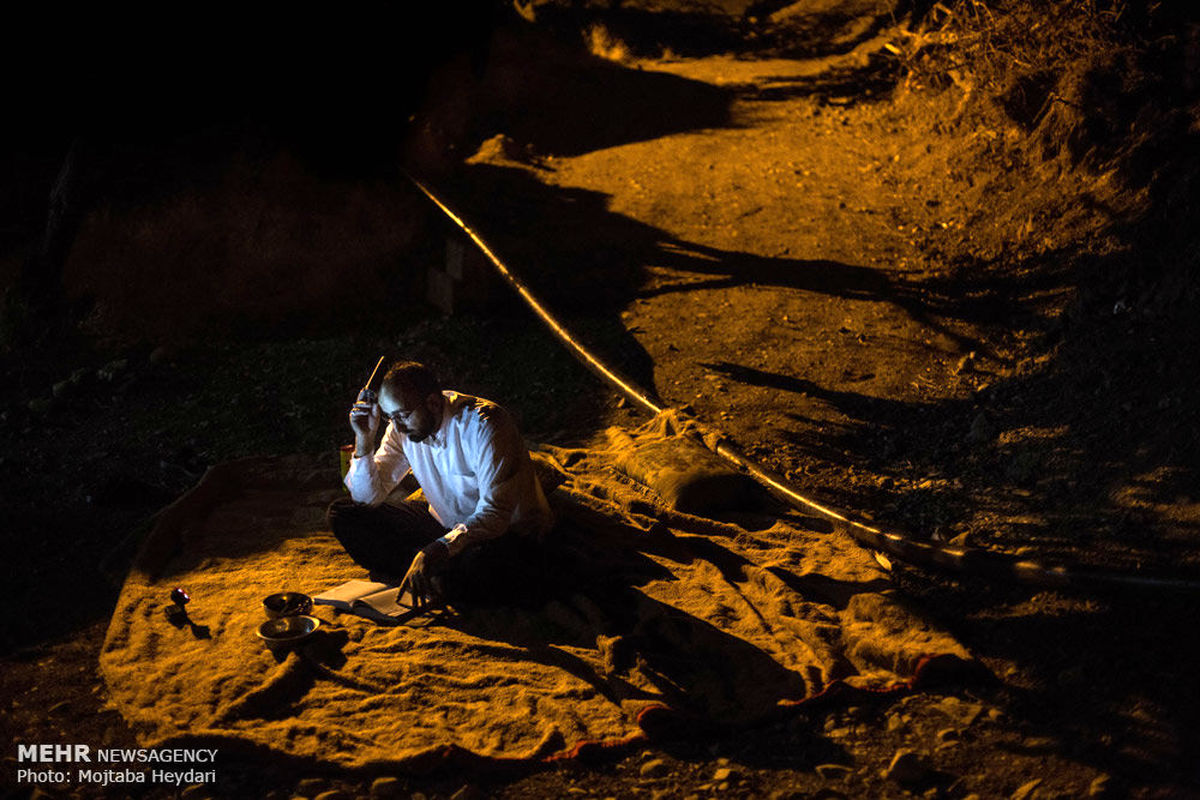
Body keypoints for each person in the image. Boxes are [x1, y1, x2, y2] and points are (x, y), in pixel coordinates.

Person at [327, 360, 553, 607]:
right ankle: (438, 577)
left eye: (402, 416)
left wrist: (437, 549)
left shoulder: (485, 424)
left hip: (502, 534)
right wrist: (364, 440)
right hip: (446, 529)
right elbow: (365, 500)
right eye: (391, 418)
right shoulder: (400, 428)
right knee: (344, 513)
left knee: (483, 566)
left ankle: (439, 575)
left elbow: (494, 514)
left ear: (433, 403)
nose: (398, 427)